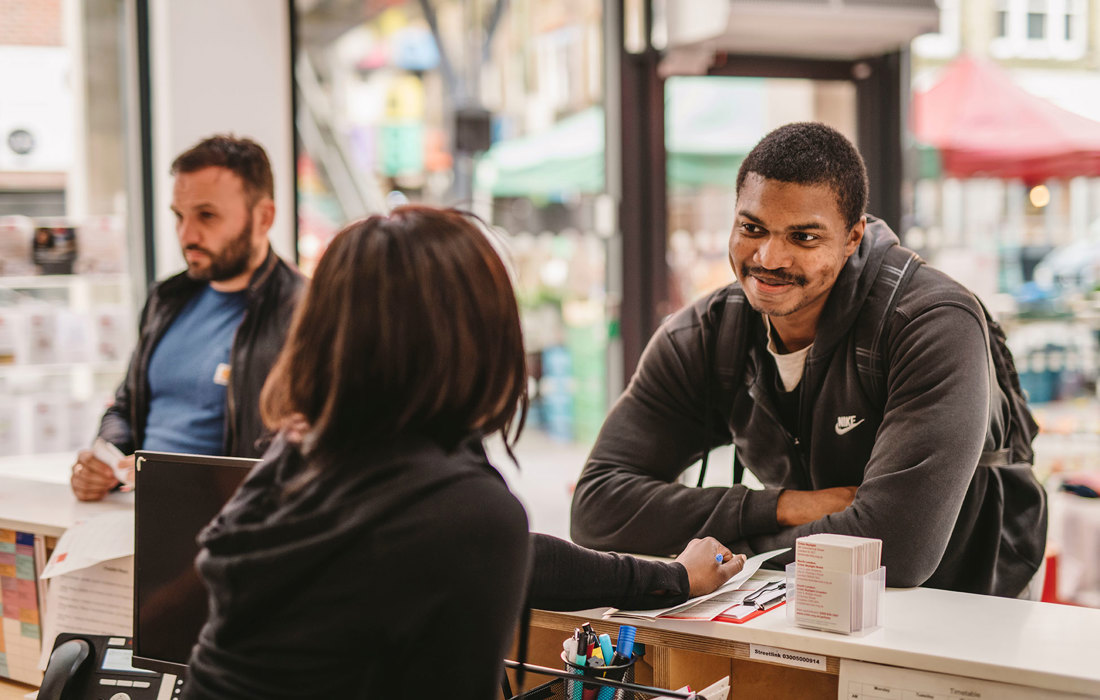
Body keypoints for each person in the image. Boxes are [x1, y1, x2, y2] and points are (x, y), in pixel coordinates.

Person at [180, 207, 747, 700]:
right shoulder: (462, 511)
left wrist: (672, 577)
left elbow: (527, 561)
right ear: (481, 337)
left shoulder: (302, 456)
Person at [570, 122, 1047, 599]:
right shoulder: (707, 335)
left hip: (971, 602)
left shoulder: (929, 323)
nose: (769, 258)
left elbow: (896, 550)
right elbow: (597, 509)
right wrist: (785, 506)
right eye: (752, 228)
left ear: (852, 236)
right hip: (809, 602)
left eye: (803, 237)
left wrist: (723, 558)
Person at [70, 135, 305, 501]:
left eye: (206, 216)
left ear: (264, 218)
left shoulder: (305, 311)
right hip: (139, 511)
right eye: (179, 216)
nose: (187, 235)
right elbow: (126, 406)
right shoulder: (167, 298)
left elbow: (307, 446)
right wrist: (105, 461)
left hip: (228, 523)